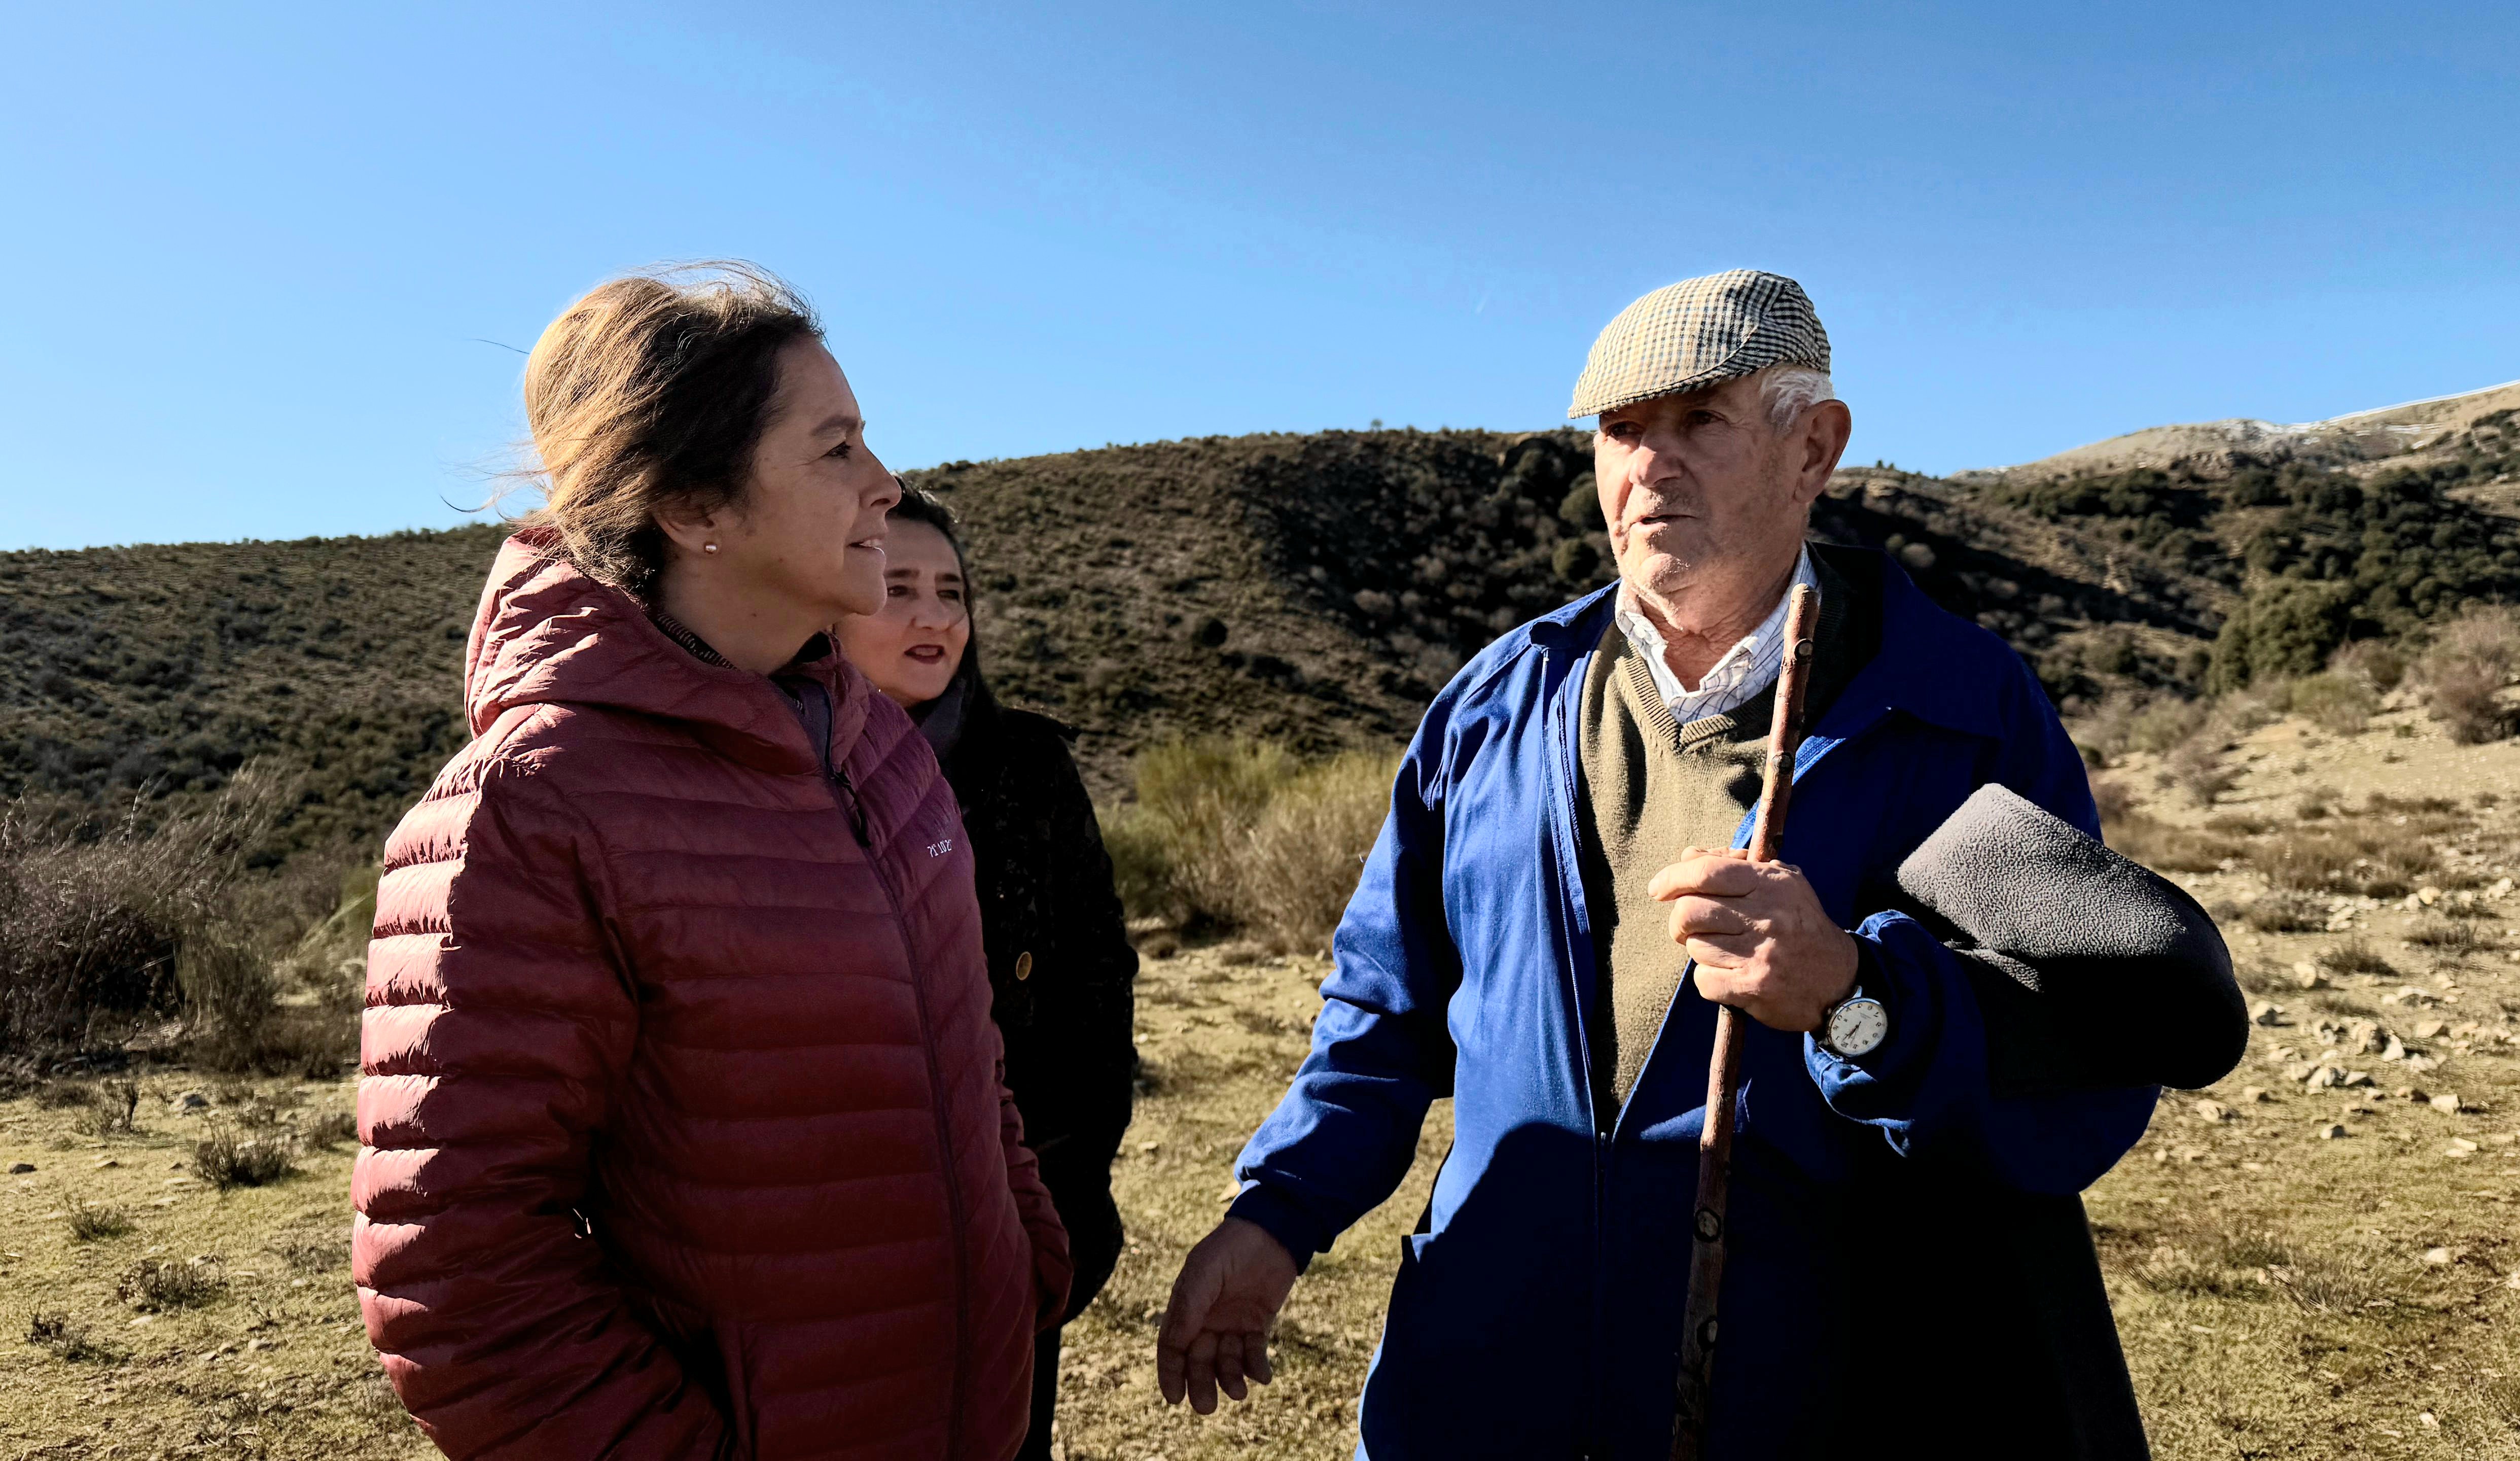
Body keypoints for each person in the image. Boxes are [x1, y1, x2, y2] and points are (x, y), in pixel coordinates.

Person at [1155, 270, 2246, 1459]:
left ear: (1813, 447)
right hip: (1479, 1375)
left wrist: (1856, 999)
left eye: (1698, 423)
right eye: (1621, 432)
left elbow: (2087, 1059)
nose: (1648, 466)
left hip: (1817, 1394)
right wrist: (1278, 1213)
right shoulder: (1493, 707)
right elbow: (1385, 1004)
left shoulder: (1960, 712)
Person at [353, 263, 1070, 1461]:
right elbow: (458, 1265)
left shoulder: (879, 745)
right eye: (835, 448)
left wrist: (1025, 1256)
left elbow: (960, 1042)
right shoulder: (530, 804)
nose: (884, 487)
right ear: (693, 505)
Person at [836, 486, 1139, 1461]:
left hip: (1013, 1215)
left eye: (952, 591)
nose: (935, 617)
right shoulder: (767, 777)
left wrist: (1074, 1179)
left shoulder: (1029, 765)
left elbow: (1100, 972)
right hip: (834, 1226)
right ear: (830, 597)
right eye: (897, 588)